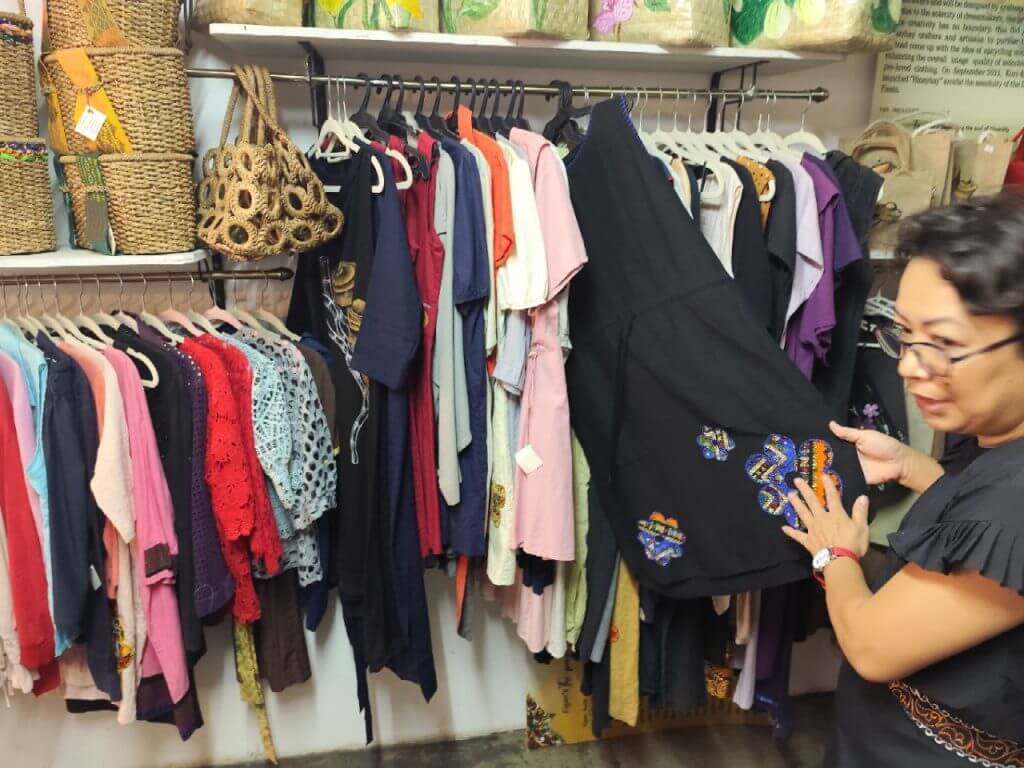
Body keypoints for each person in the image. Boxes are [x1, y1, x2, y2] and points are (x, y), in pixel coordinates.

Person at [782, 193, 1024, 766]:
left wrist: (834, 554)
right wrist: (914, 468)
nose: (908, 366)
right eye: (906, 335)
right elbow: (986, 514)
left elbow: (871, 646)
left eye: (944, 346)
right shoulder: (996, 442)